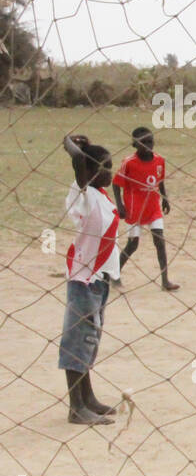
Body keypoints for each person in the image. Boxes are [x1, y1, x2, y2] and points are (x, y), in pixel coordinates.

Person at [59, 134, 123, 425]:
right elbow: (78, 162)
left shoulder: (101, 196)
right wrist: (78, 148)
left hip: (100, 279)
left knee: (90, 339)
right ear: (90, 171)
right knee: (78, 341)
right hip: (84, 279)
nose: (111, 172)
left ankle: (88, 398)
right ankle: (76, 407)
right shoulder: (83, 194)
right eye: (106, 167)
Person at [112, 126, 179, 291]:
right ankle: (115, 275)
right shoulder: (129, 163)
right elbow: (115, 183)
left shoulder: (159, 160)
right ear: (135, 145)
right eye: (144, 142)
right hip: (135, 209)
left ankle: (165, 280)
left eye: (150, 141)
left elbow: (160, 180)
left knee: (160, 241)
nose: (148, 145)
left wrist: (165, 199)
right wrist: (120, 205)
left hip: (153, 207)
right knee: (133, 245)